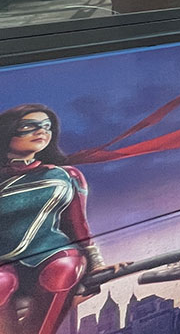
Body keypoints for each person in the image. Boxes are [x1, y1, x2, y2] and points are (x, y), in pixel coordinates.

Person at [0, 105, 106, 334]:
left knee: (64, 266)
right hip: (5, 261)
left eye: (46, 127)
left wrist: (96, 264)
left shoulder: (65, 175)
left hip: (51, 253)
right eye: (29, 127)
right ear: (7, 132)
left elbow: (77, 225)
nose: (41, 132)